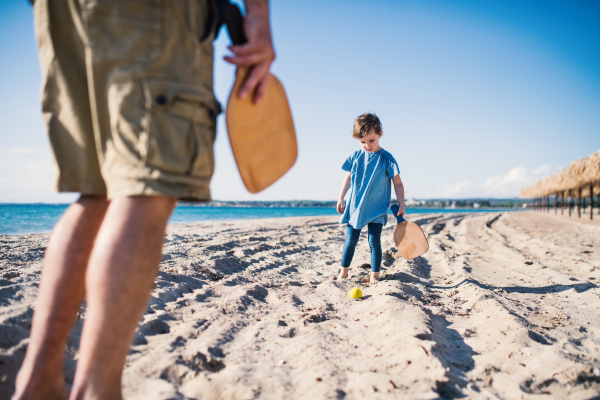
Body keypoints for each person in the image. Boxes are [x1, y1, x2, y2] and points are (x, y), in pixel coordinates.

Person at [13, 0, 274, 399]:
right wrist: (258, 15)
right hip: (155, 16)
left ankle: (39, 383)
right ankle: (98, 391)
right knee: (145, 191)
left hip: (59, 11)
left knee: (96, 193)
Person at [336, 113, 405, 285]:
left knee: (374, 241)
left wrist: (401, 202)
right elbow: (348, 177)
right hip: (356, 207)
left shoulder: (387, 158)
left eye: (371, 140)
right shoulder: (355, 156)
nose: (367, 145)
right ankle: (343, 272)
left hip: (376, 208)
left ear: (380, 134)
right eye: (362, 142)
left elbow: (397, 183)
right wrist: (341, 197)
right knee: (350, 239)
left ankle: (375, 275)